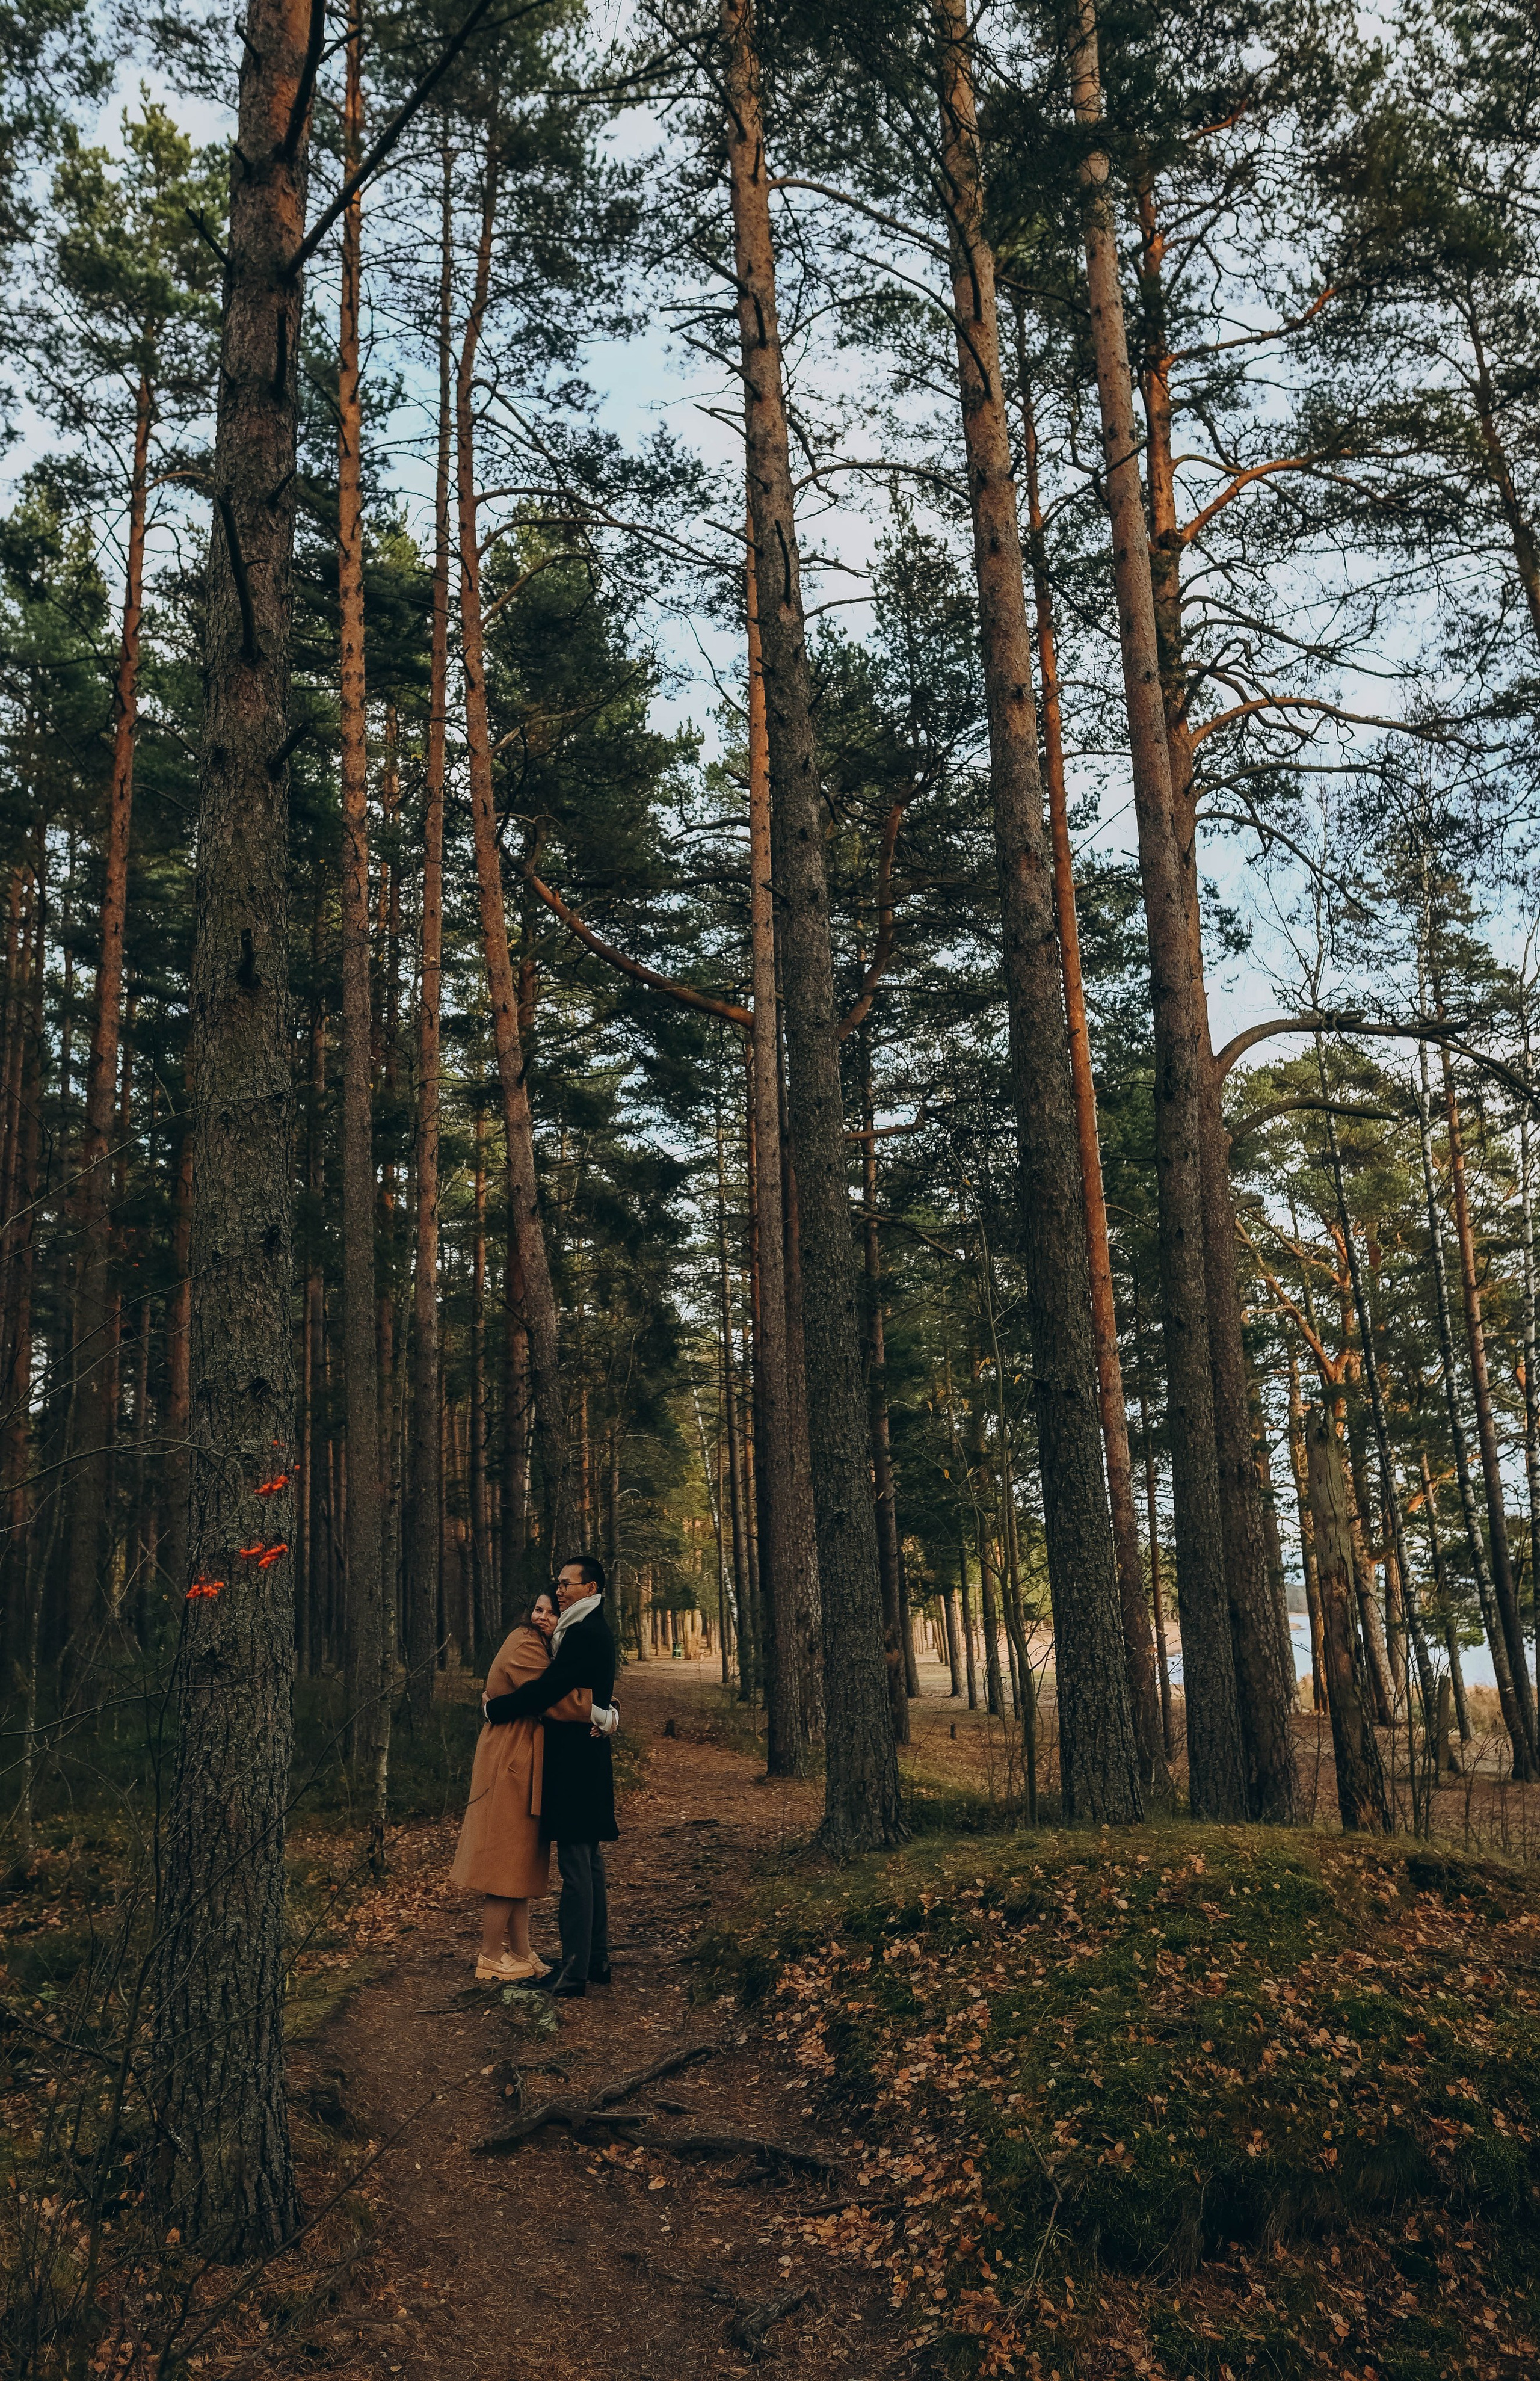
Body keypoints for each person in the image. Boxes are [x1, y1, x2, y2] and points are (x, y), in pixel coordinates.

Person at [484, 1553, 620, 1999]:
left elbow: (548, 1691)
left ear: (591, 1588)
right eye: (557, 1584)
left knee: (577, 1869)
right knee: (589, 1863)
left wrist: (496, 1708)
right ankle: (595, 1960)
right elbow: (584, 1693)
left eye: (567, 1584)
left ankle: (574, 1972)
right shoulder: (585, 1629)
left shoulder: (583, 1632)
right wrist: (607, 1713)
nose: (559, 1591)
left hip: (576, 1763)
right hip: (586, 1757)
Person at [451, 1591, 600, 1982]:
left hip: (522, 1756)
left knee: (519, 1861)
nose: (542, 1617)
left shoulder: (543, 1647)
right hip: (510, 1759)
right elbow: (555, 1700)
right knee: (506, 1859)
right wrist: (601, 1709)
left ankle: (520, 1950)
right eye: (538, 1609)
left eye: (551, 1612)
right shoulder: (525, 1645)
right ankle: (490, 1955)